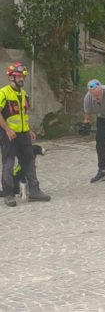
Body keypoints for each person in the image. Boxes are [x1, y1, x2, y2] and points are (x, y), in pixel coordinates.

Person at [0, 62, 51, 207]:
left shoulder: (23, 94)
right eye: (18, 76)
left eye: (23, 76)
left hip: (23, 135)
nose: (22, 78)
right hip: (8, 135)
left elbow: (23, 115)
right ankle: (9, 194)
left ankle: (34, 191)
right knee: (8, 164)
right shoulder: (3, 93)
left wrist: (28, 130)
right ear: (11, 77)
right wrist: (8, 130)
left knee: (29, 162)